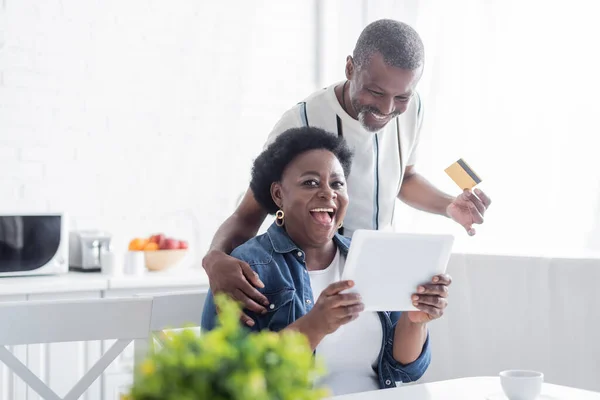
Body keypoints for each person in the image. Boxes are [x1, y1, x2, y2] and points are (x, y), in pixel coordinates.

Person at [202, 19, 490, 326]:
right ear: (350, 68)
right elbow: (248, 214)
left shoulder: (413, 107)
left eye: (401, 97)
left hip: (381, 273)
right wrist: (214, 258)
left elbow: (403, 178)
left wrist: (448, 206)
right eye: (375, 92)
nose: (387, 108)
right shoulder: (301, 122)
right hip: (316, 280)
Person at [201, 127, 452, 396]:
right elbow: (228, 379)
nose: (327, 193)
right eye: (310, 182)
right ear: (278, 195)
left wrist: (415, 321)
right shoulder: (248, 266)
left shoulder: (372, 256)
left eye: (337, 183)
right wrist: (314, 325)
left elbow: (404, 369)